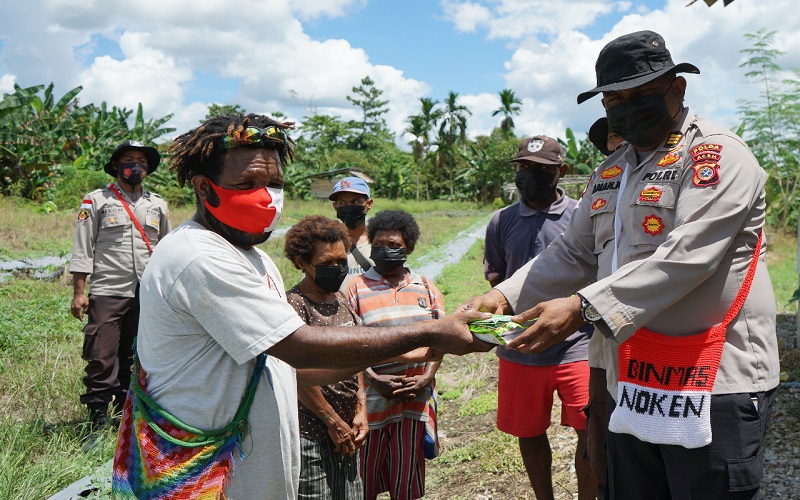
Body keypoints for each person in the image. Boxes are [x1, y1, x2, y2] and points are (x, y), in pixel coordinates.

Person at [462, 30, 779, 499]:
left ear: (677, 89)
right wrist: (504, 295)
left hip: (713, 379)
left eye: (642, 94)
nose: (627, 107)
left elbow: (686, 257)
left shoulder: (715, 155)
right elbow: (572, 252)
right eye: (615, 99)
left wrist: (581, 307)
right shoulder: (612, 170)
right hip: (632, 376)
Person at [112, 114, 491, 500]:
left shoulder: (255, 258)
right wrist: (430, 331)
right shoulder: (198, 256)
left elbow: (292, 367)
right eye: (247, 183)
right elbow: (298, 346)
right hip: (207, 476)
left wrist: (411, 353)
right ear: (203, 188)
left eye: (274, 184)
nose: (265, 196)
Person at [483, 135, 596, 500]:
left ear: (560, 172)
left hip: (576, 346)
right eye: (523, 168)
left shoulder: (582, 216)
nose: (528, 176)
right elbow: (499, 281)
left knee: (590, 431)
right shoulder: (501, 221)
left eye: (541, 170)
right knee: (529, 432)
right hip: (520, 348)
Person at [68, 139, 170, 429]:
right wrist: (79, 293)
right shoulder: (96, 201)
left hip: (148, 293)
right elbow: (82, 248)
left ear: (148, 168)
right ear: (116, 165)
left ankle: (124, 417)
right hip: (108, 289)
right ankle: (97, 421)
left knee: (138, 356)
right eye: (129, 160)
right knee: (102, 356)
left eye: (141, 160)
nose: (135, 166)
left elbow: (167, 249)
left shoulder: (158, 204)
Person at [346, 210, 443, 500]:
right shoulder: (355, 288)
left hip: (414, 403)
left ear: (408, 248)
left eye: (393, 245)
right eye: (378, 245)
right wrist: (374, 379)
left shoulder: (426, 286)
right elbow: (348, 347)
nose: (385, 250)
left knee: (407, 483)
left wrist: (426, 377)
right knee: (364, 482)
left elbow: (441, 338)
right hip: (371, 407)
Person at [284, 215, 368, 499]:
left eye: (341, 262)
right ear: (301, 263)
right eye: (326, 264)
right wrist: (332, 420)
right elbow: (296, 372)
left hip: (347, 427)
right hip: (312, 432)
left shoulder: (341, 299)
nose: (336, 269)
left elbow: (355, 357)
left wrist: (361, 410)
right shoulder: (294, 305)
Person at [584, 119, 626, 499]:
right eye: (612, 134)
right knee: (601, 423)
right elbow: (577, 252)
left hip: (652, 336)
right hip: (601, 338)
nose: (619, 140)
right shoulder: (599, 183)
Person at [329, 176, 374, 291]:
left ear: (369, 204)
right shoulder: (327, 245)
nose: (348, 206)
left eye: (355, 201)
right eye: (342, 202)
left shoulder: (379, 243)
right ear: (335, 207)